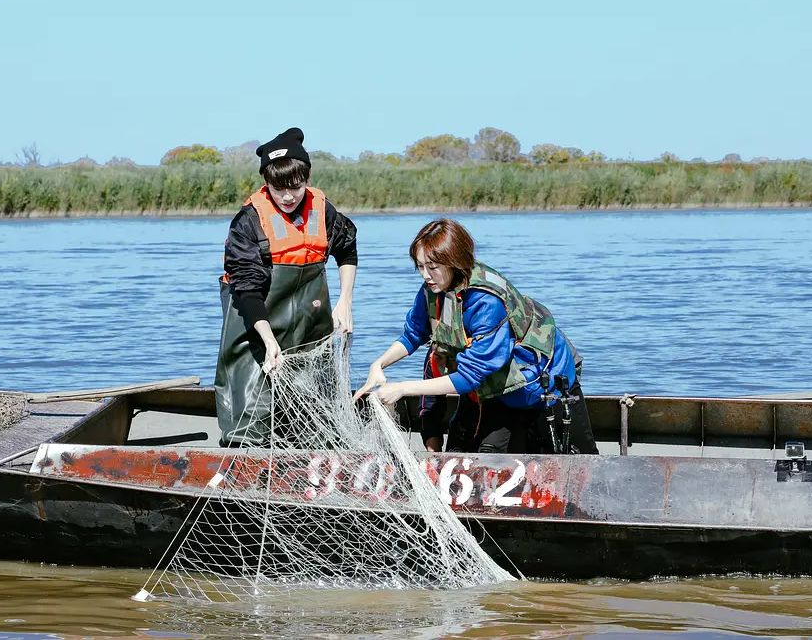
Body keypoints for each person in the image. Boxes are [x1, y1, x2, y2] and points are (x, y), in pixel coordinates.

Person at [355, 218, 597, 455]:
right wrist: (379, 364)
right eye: (420, 266)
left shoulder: (486, 301)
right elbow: (414, 334)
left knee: (574, 460)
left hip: (544, 380)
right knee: (471, 451)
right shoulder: (434, 289)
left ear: (455, 262)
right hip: (495, 384)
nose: (425, 276)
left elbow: (469, 377)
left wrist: (402, 389)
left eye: (433, 267)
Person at [215, 127, 358, 446]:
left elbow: (347, 249)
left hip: (309, 328)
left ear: (306, 178)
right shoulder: (249, 221)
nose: (289, 196)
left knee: (314, 417)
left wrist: (345, 301)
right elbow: (247, 289)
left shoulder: (322, 209)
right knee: (252, 416)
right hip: (255, 326)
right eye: (279, 189)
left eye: (296, 186)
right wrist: (268, 340)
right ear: (267, 184)